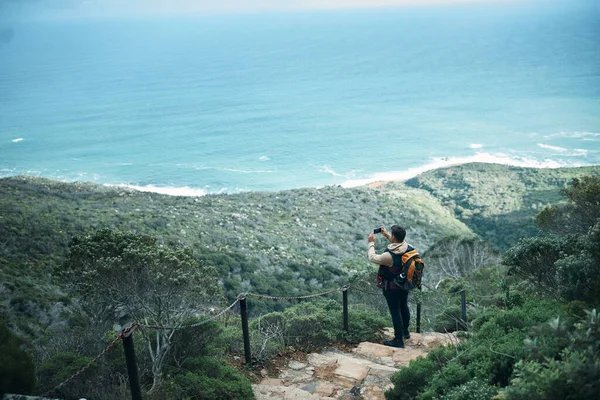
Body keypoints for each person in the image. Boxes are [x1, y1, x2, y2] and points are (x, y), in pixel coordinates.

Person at [367, 225, 414, 348]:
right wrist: (386, 234)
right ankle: (405, 332)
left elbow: (372, 257)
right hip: (404, 284)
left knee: (395, 312)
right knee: (404, 306)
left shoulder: (388, 256)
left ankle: (398, 340)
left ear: (394, 237)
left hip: (391, 287)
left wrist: (371, 243)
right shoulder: (408, 247)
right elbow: (397, 245)